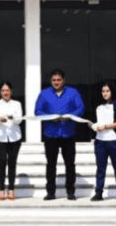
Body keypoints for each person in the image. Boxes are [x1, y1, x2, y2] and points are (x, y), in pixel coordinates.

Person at [35, 69, 84, 201]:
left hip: (68, 133)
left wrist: (70, 116)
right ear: (51, 81)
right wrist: (50, 117)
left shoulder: (73, 93)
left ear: (64, 80)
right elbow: (38, 110)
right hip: (50, 134)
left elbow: (80, 108)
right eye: (53, 80)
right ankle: (50, 193)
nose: (56, 82)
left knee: (70, 164)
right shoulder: (44, 94)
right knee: (51, 164)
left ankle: (70, 191)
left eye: (58, 80)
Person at [91, 81, 116, 202]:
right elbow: (94, 122)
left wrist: (106, 127)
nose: (105, 93)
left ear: (112, 92)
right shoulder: (98, 106)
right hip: (100, 141)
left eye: (107, 91)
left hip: (114, 140)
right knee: (100, 168)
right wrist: (93, 126)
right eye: (103, 91)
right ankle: (99, 193)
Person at [0, 81, 24, 201]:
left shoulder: (17, 104)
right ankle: (1, 189)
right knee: (2, 162)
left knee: (12, 163)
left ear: (11, 91)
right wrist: (0, 119)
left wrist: (12, 117)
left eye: (7, 90)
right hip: (0, 137)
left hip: (15, 137)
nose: (5, 92)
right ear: (0, 92)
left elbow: (19, 120)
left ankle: (11, 189)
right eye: (3, 90)